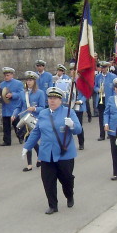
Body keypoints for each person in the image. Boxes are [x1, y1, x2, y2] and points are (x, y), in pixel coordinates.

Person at [22, 87, 83, 215]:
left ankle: (69, 195)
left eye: (55, 98)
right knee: (48, 181)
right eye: (50, 98)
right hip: (46, 153)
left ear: (60, 100)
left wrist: (72, 125)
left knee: (66, 179)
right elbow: (37, 132)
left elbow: (78, 130)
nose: (52, 101)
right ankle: (52, 205)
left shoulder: (68, 112)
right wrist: (27, 146)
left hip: (64, 153)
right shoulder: (43, 114)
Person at [13, 71, 46, 171]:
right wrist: (14, 114)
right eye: (27, 80)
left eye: (31, 80)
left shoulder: (40, 93)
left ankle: (31, 164)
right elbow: (18, 107)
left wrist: (34, 109)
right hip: (25, 120)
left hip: (35, 120)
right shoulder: (22, 93)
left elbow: (43, 108)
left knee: (30, 140)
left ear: (34, 81)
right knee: (30, 140)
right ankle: (35, 160)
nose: (29, 82)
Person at [0, 67, 24, 146]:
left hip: (14, 107)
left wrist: (12, 95)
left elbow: (21, 94)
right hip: (5, 107)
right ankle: (7, 141)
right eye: (5, 75)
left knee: (16, 124)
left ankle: (21, 137)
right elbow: (0, 94)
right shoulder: (2, 84)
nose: (6, 77)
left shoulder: (18, 83)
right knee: (6, 125)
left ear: (12, 75)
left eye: (8, 75)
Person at [93, 61, 117, 141]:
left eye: (104, 67)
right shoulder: (98, 77)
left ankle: (110, 133)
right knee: (101, 117)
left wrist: (113, 98)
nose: (103, 69)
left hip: (109, 99)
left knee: (109, 116)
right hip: (101, 99)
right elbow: (95, 86)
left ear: (107, 68)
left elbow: (115, 89)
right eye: (102, 67)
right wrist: (98, 90)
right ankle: (102, 135)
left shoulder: (113, 76)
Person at [67, 65, 87, 150]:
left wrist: (81, 101)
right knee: (67, 125)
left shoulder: (82, 82)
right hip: (70, 106)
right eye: (71, 70)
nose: (73, 71)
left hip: (78, 106)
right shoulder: (68, 82)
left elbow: (86, 94)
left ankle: (81, 143)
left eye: (74, 70)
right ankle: (67, 144)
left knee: (78, 125)